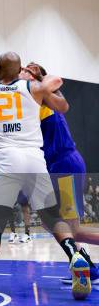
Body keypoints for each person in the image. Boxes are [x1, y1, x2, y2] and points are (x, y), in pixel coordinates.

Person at [0, 52, 91, 306]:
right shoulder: (35, 89)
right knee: (51, 217)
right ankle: (74, 254)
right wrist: (45, 83)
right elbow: (62, 104)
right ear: (20, 69)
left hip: (7, 161)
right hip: (35, 161)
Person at [21, 62, 99, 284]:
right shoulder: (29, 96)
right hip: (53, 167)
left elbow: (55, 80)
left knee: (71, 228)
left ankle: (87, 270)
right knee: (51, 223)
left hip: (65, 164)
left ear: (35, 76)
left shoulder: (41, 93)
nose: (22, 72)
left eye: (27, 69)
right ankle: (87, 268)